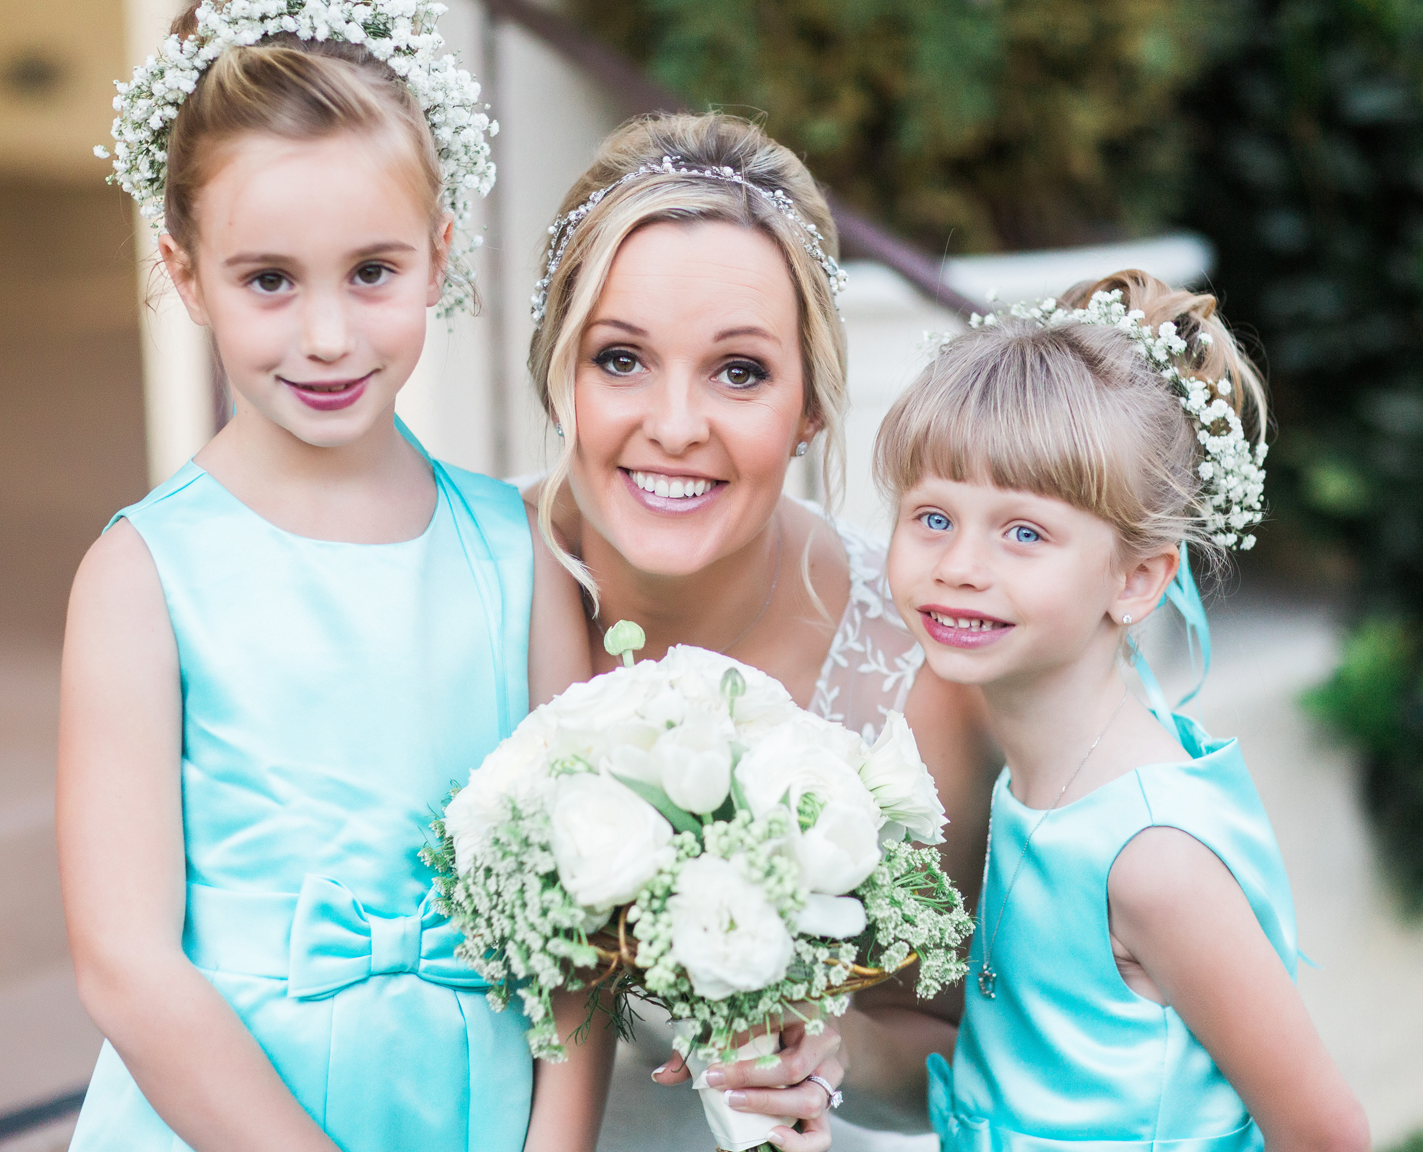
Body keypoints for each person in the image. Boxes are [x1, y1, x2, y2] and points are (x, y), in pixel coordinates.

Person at [58, 4, 610, 1148]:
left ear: (440, 258)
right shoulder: (142, 578)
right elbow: (125, 965)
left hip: (478, 1107)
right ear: (185, 272)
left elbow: (581, 911)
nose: (325, 336)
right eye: (269, 280)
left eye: (371, 272)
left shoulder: (521, 553)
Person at [523, 111, 999, 1149]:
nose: (678, 423)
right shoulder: (466, 578)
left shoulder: (917, 677)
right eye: (620, 359)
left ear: (811, 406)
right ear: (560, 369)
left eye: (739, 371)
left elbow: (952, 1045)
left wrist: (832, 1048)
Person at [876, 272, 1372, 1152]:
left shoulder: (1152, 859)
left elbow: (1325, 1134)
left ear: (1138, 579)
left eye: (1023, 532)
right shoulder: (1024, 768)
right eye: (932, 516)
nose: (957, 564)